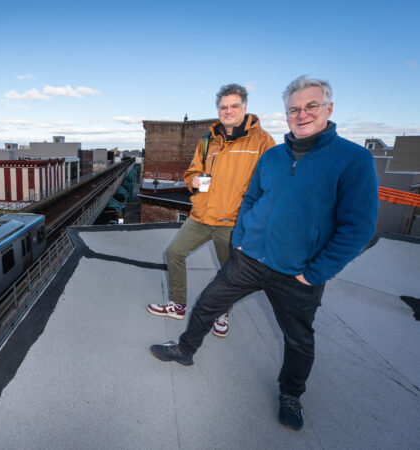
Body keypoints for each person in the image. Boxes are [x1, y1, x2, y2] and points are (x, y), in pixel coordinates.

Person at [149, 75, 379, 430]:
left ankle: (291, 394)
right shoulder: (273, 156)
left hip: (298, 272)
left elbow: (358, 228)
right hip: (249, 258)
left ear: (329, 109)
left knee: (298, 339)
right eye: (294, 109)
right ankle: (185, 350)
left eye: (311, 106)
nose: (302, 115)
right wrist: (241, 240)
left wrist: (314, 274)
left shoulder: (353, 159)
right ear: (286, 113)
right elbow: (253, 199)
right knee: (209, 302)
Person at [147, 83, 275, 338]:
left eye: (234, 106)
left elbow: (271, 185)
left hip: (233, 220)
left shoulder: (262, 141)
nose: (228, 111)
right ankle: (177, 304)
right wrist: (191, 181)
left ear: (245, 108)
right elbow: (193, 171)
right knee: (174, 252)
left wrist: (255, 223)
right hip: (202, 215)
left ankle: (222, 312)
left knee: (230, 272)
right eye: (223, 107)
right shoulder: (208, 139)